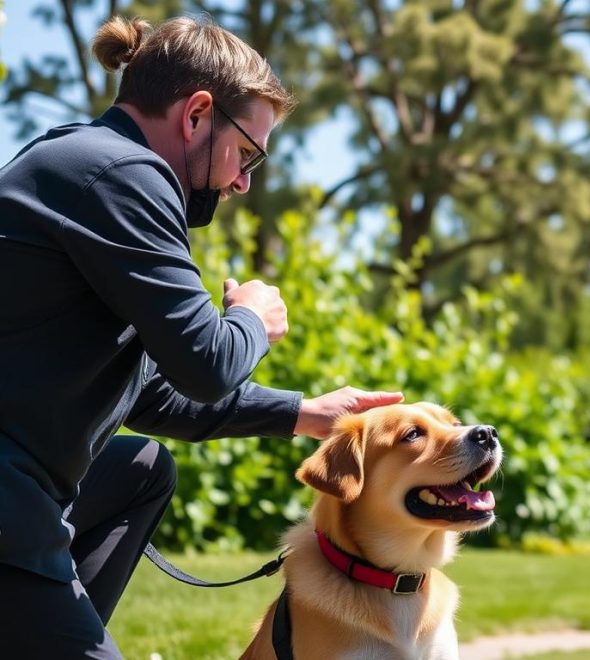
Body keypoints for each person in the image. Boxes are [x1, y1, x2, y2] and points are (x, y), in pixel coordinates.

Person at [0, 14, 403, 658]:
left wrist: (306, 413)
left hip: (22, 498)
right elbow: (209, 365)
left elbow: (154, 398)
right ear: (197, 114)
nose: (243, 181)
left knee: (142, 466)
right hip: (8, 500)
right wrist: (253, 318)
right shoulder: (123, 174)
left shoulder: (90, 166)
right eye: (246, 153)